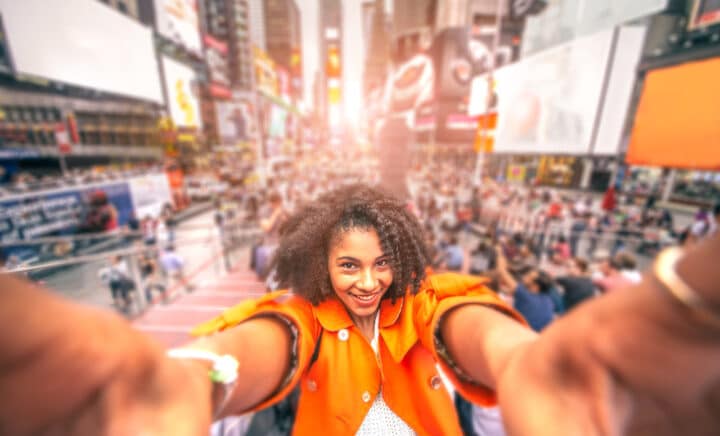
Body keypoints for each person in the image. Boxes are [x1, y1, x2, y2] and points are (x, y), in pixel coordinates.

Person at [2, 185, 720, 436]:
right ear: (322, 266)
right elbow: (259, 346)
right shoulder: (304, 317)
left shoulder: (434, 299)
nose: (368, 281)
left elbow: (477, 331)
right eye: (349, 265)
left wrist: (529, 361)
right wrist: (191, 380)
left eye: (382, 263)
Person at [495, 246, 555, 332]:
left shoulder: (525, 296)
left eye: (528, 277)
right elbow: (508, 291)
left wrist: (499, 252)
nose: (524, 277)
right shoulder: (548, 300)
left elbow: (501, 270)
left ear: (535, 286)